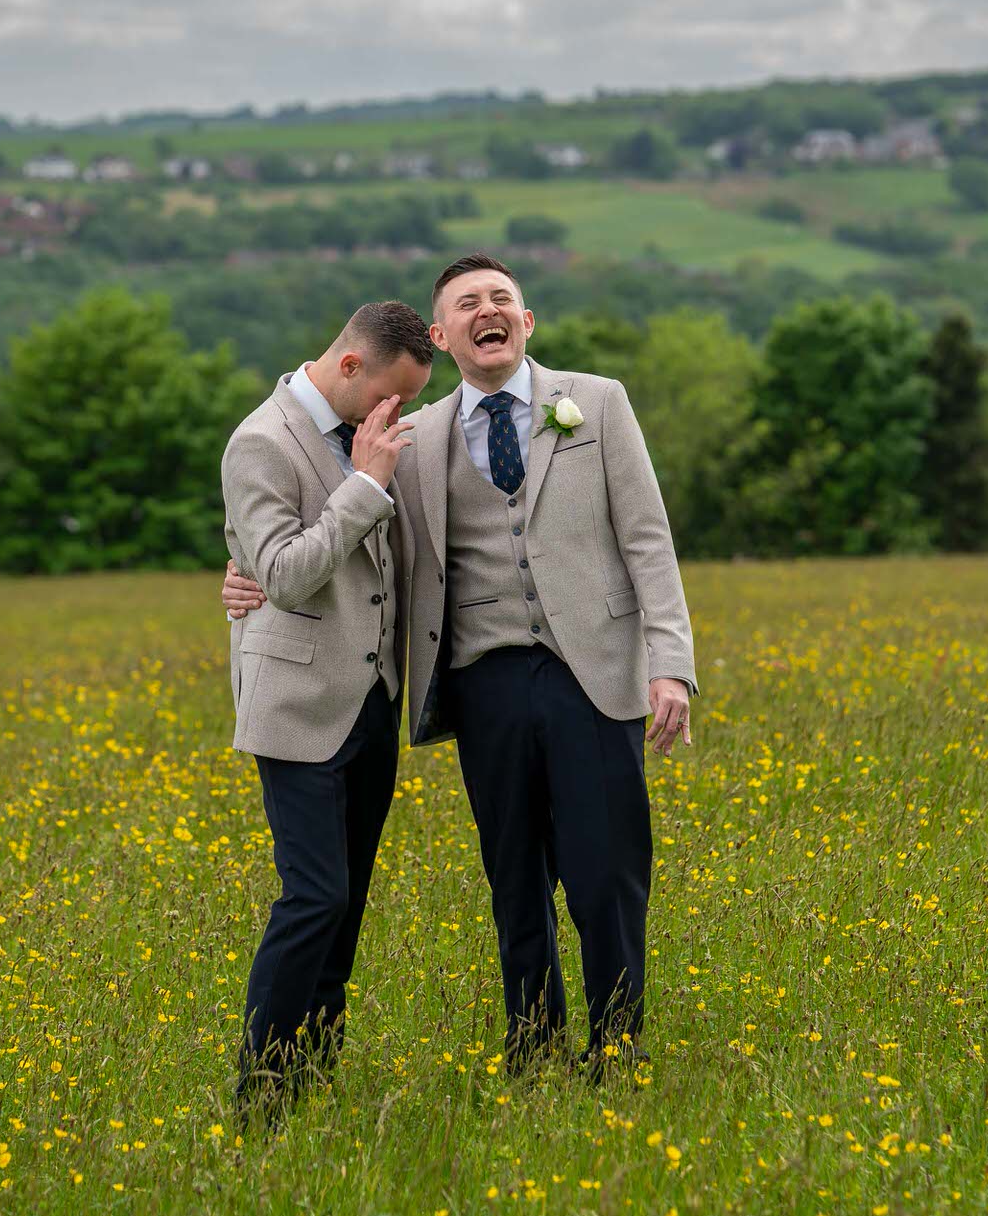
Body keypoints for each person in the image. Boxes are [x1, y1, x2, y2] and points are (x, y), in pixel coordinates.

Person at [226, 253, 695, 1077]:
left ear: (527, 320)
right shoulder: (412, 437)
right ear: (444, 337)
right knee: (514, 879)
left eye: (503, 298)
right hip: (482, 683)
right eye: (469, 302)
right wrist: (241, 575)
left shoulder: (601, 403)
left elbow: (649, 542)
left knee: (606, 872)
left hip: (598, 671)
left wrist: (671, 665)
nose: (490, 310)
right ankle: (533, 1045)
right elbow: (335, 535)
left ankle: (617, 1047)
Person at [222, 300, 435, 1114]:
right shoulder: (261, 441)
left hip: (372, 702)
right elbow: (282, 573)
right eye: (393, 394)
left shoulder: (364, 432)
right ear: (351, 366)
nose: (399, 413)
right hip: (298, 702)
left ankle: (313, 1075)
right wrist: (365, 483)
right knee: (313, 896)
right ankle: (258, 1094)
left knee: (347, 905)